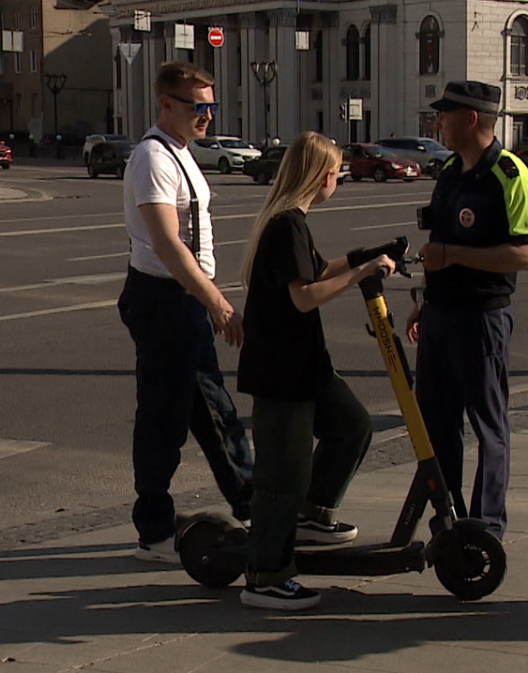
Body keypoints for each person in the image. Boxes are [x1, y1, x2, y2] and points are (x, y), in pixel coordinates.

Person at [237, 131, 395, 611]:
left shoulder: (295, 225)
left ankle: (312, 516)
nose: (339, 181)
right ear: (321, 176)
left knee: (351, 426)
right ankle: (266, 575)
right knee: (282, 474)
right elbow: (303, 296)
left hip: (306, 366)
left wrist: (364, 256)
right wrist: (359, 277)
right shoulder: (285, 225)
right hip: (282, 371)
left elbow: (316, 269)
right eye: (337, 173)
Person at [117, 61, 255, 564]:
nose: (207, 116)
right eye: (198, 106)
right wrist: (214, 300)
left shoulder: (180, 154)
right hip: (164, 299)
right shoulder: (152, 157)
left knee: (210, 410)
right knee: (166, 417)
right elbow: (168, 244)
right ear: (166, 104)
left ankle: (251, 503)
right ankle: (154, 530)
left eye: (211, 105)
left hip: (178, 299)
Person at [404, 81, 528, 541]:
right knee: (437, 425)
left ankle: (486, 528)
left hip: (482, 317)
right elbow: (438, 245)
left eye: (444, 115)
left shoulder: (508, 172)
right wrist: (424, 299)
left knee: (488, 425)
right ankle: (449, 519)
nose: (438, 122)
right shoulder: (448, 171)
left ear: (471, 119)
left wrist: (456, 258)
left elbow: (524, 255)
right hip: (440, 313)